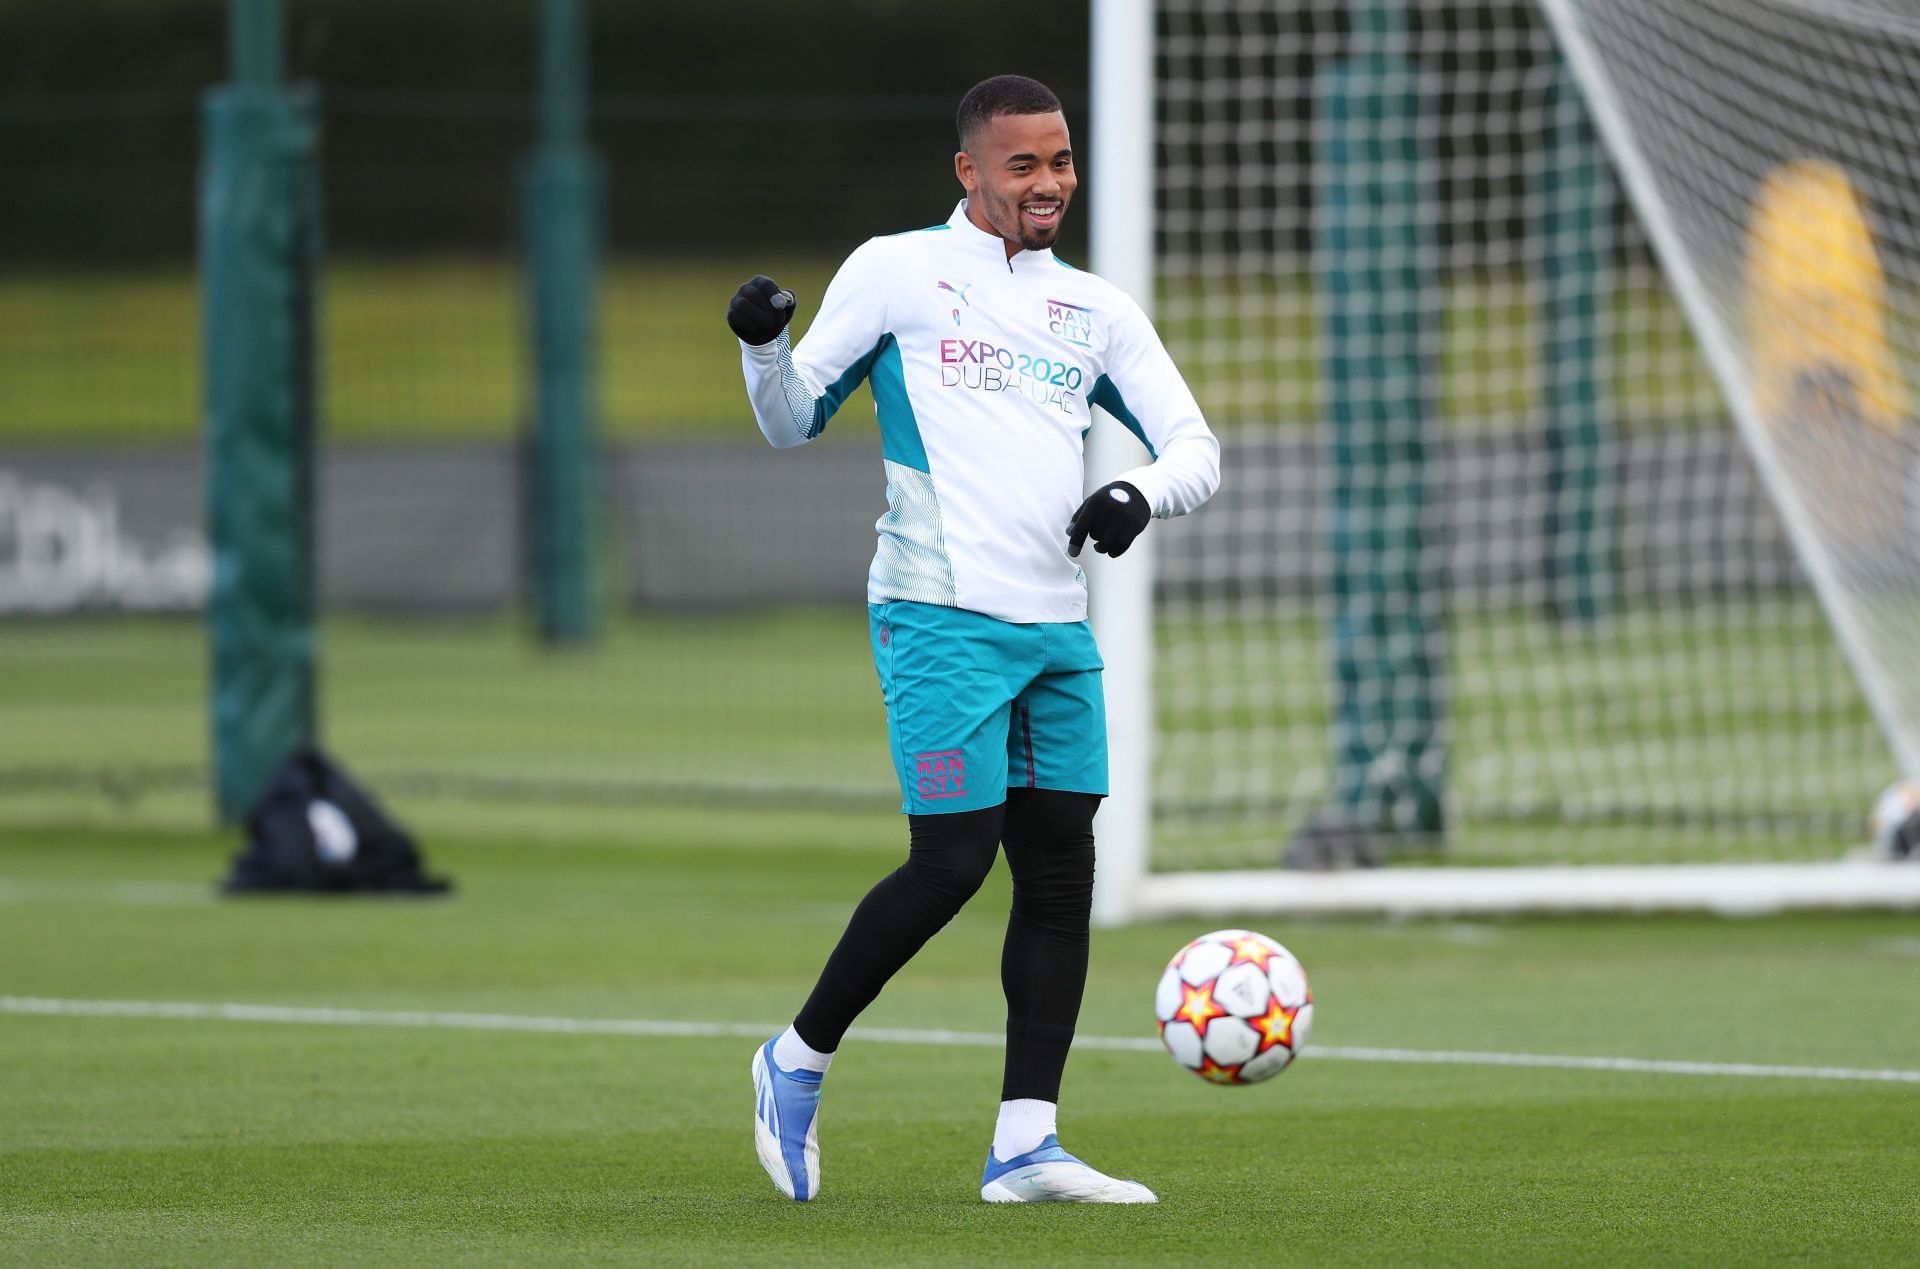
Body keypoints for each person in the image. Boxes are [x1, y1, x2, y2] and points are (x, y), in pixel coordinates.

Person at [728, 74, 1219, 1205]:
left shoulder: (1096, 309)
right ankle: (794, 1061)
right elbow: (792, 418)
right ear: (970, 171)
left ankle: (1026, 1147)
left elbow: (1198, 445)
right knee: (950, 862)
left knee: (1059, 874)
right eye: (1023, 166)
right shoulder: (896, 271)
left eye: (1059, 162)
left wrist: (1139, 493)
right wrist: (764, 347)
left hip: (1057, 629)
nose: (1048, 184)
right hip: (937, 613)